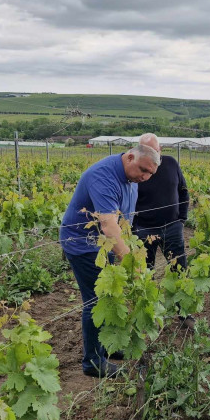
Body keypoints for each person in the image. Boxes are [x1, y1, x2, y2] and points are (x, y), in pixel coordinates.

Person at [60, 142, 160, 377]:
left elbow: (125, 222)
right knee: (96, 301)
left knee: (113, 296)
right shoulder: (103, 176)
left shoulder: (132, 180)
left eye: (150, 174)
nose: (145, 177)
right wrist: (130, 263)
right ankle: (93, 361)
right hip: (83, 244)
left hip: (106, 246)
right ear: (130, 157)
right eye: (143, 170)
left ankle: (108, 347)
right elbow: (108, 225)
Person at [132, 133, 189, 271]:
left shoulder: (171, 163)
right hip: (143, 230)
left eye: (154, 152)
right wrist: (134, 227)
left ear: (160, 149)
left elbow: (183, 191)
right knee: (144, 273)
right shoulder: (134, 169)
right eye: (146, 152)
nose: (150, 156)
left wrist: (181, 219)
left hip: (171, 227)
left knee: (179, 270)